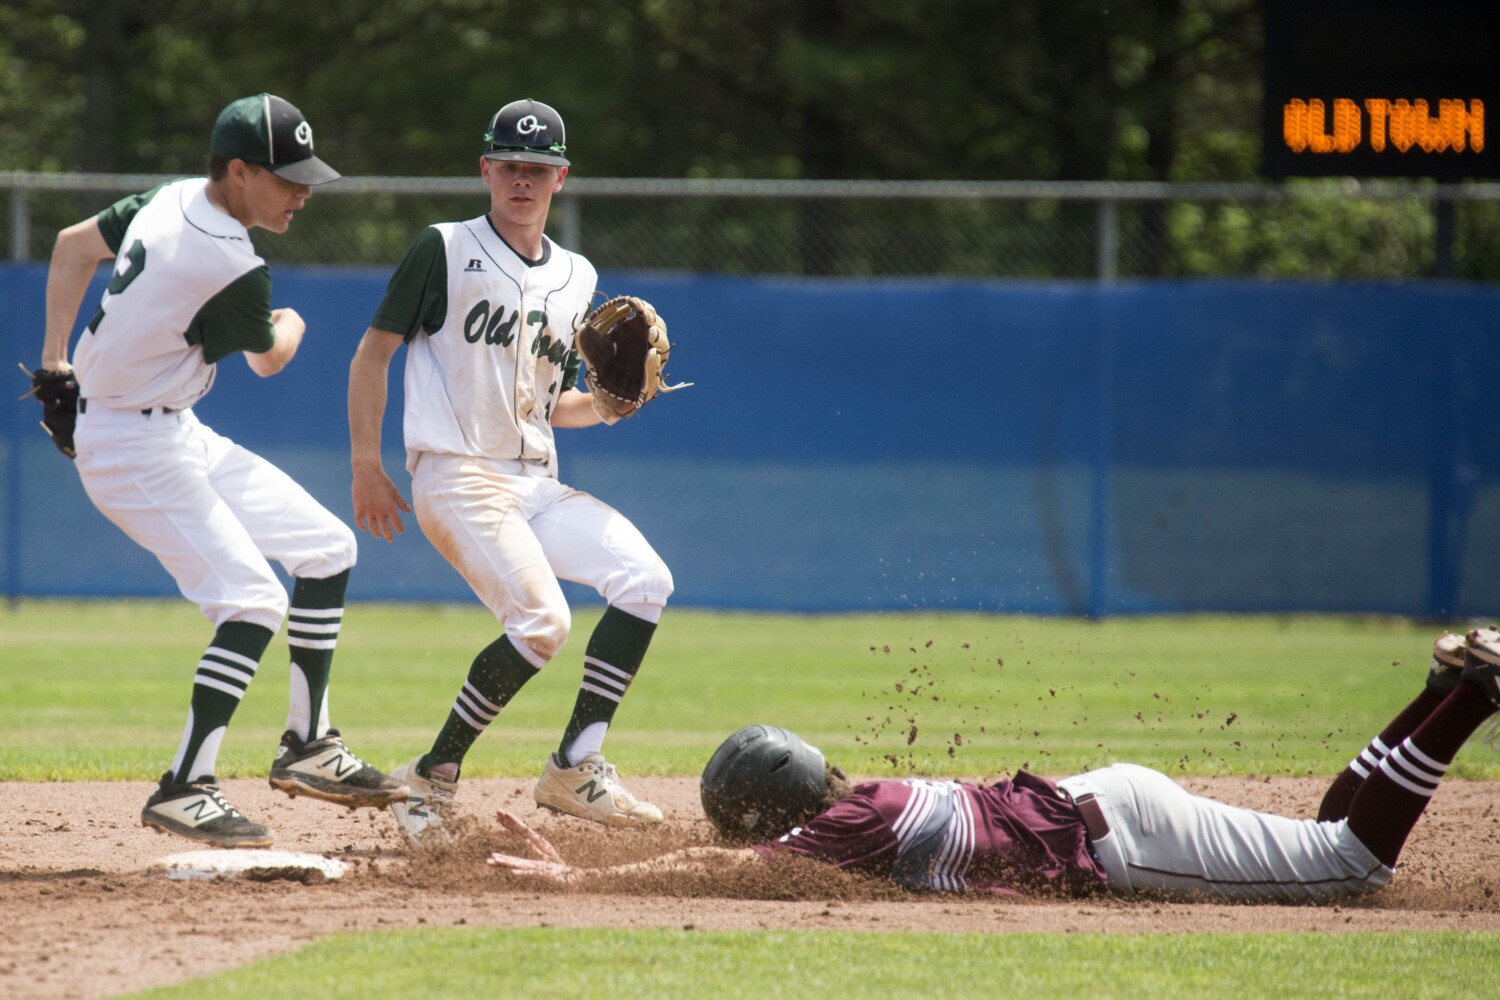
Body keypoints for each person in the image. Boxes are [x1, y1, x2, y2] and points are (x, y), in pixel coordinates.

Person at [37, 93, 407, 849]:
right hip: (131, 449)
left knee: (328, 548)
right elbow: (271, 358)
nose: (302, 192)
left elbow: (74, 245)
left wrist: (54, 361)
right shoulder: (227, 259)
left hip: (170, 427)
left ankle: (310, 744)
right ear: (237, 171)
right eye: (286, 176)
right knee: (250, 602)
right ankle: (185, 786)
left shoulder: (169, 199)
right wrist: (295, 321)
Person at [489, 628, 1500, 903]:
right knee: (1319, 836)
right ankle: (1438, 683)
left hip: (1125, 835)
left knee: (1354, 864)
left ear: (772, 817)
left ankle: (1472, 694)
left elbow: (709, 871)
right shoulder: (868, 793)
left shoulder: (847, 833)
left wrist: (581, 876)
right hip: (1105, 797)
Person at [348, 99, 674, 846]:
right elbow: (373, 354)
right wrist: (367, 464)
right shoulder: (444, 248)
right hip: (458, 474)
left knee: (645, 581)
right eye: (509, 166)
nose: (521, 180)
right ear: (485, 169)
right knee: (543, 623)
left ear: (562, 177)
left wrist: (612, 406)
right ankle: (429, 779)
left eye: (537, 169)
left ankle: (575, 767)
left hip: (535, 477)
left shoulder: (575, 275)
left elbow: (551, 401)